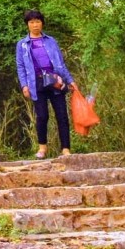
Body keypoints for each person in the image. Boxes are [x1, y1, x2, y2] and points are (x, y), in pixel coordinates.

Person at [15, 10, 78, 158]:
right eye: (31, 22)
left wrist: (70, 80)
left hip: (55, 80)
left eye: (37, 21)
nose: (35, 25)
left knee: (62, 115)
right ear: (27, 24)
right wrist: (24, 85)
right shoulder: (22, 44)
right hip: (36, 82)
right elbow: (20, 66)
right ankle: (42, 148)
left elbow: (60, 63)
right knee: (42, 116)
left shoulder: (51, 41)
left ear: (42, 23)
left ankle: (65, 149)